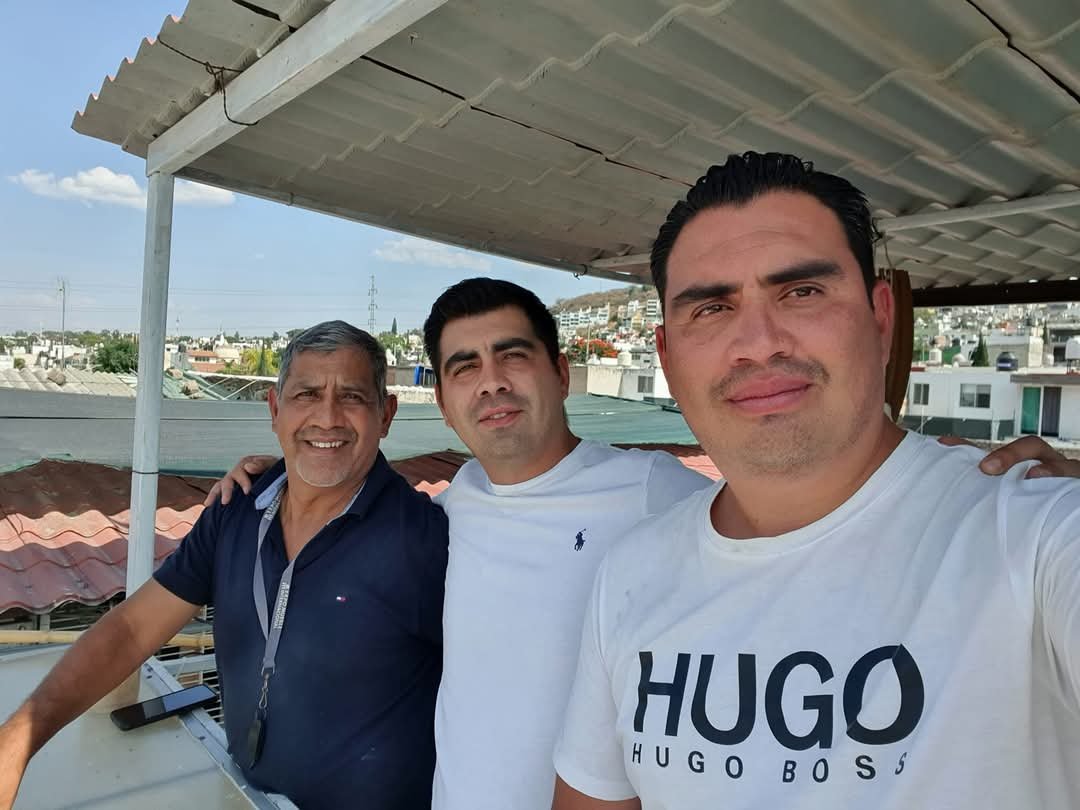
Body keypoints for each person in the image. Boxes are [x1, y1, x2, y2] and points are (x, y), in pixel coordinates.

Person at [213, 285, 1078, 810]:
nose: (492, 382)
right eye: (464, 366)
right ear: (440, 398)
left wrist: (951, 480)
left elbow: (812, 522)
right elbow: (343, 473)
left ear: (560, 372)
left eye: (512, 355)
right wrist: (269, 474)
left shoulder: (655, 492)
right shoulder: (452, 505)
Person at [551, 152, 1080, 809]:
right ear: (667, 356)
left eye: (801, 292)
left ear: (881, 319)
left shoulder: (1034, 534)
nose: (758, 342)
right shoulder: (631, 574)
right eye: (711, 308)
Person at [0, 321, 448, 810]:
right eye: (307, 394)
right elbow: (131, 631)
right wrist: (19, 738)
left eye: (352, 397)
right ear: (274, 410)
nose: (327, 417)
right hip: (240, 794)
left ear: (386, 415)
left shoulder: (427, 541)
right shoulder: (236, 509)